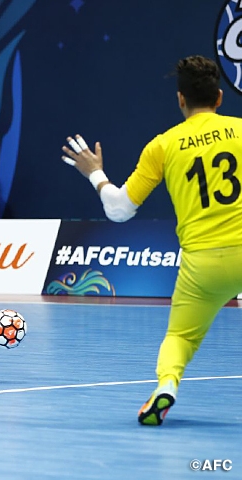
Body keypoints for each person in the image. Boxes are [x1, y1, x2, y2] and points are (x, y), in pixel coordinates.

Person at [60, 55, 242, 426]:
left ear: (180, 100)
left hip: (201, 264)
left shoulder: (163, 146)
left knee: (180, 336)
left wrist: (95, 174)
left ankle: (166, 387)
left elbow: (119, 210)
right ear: (220, 98)